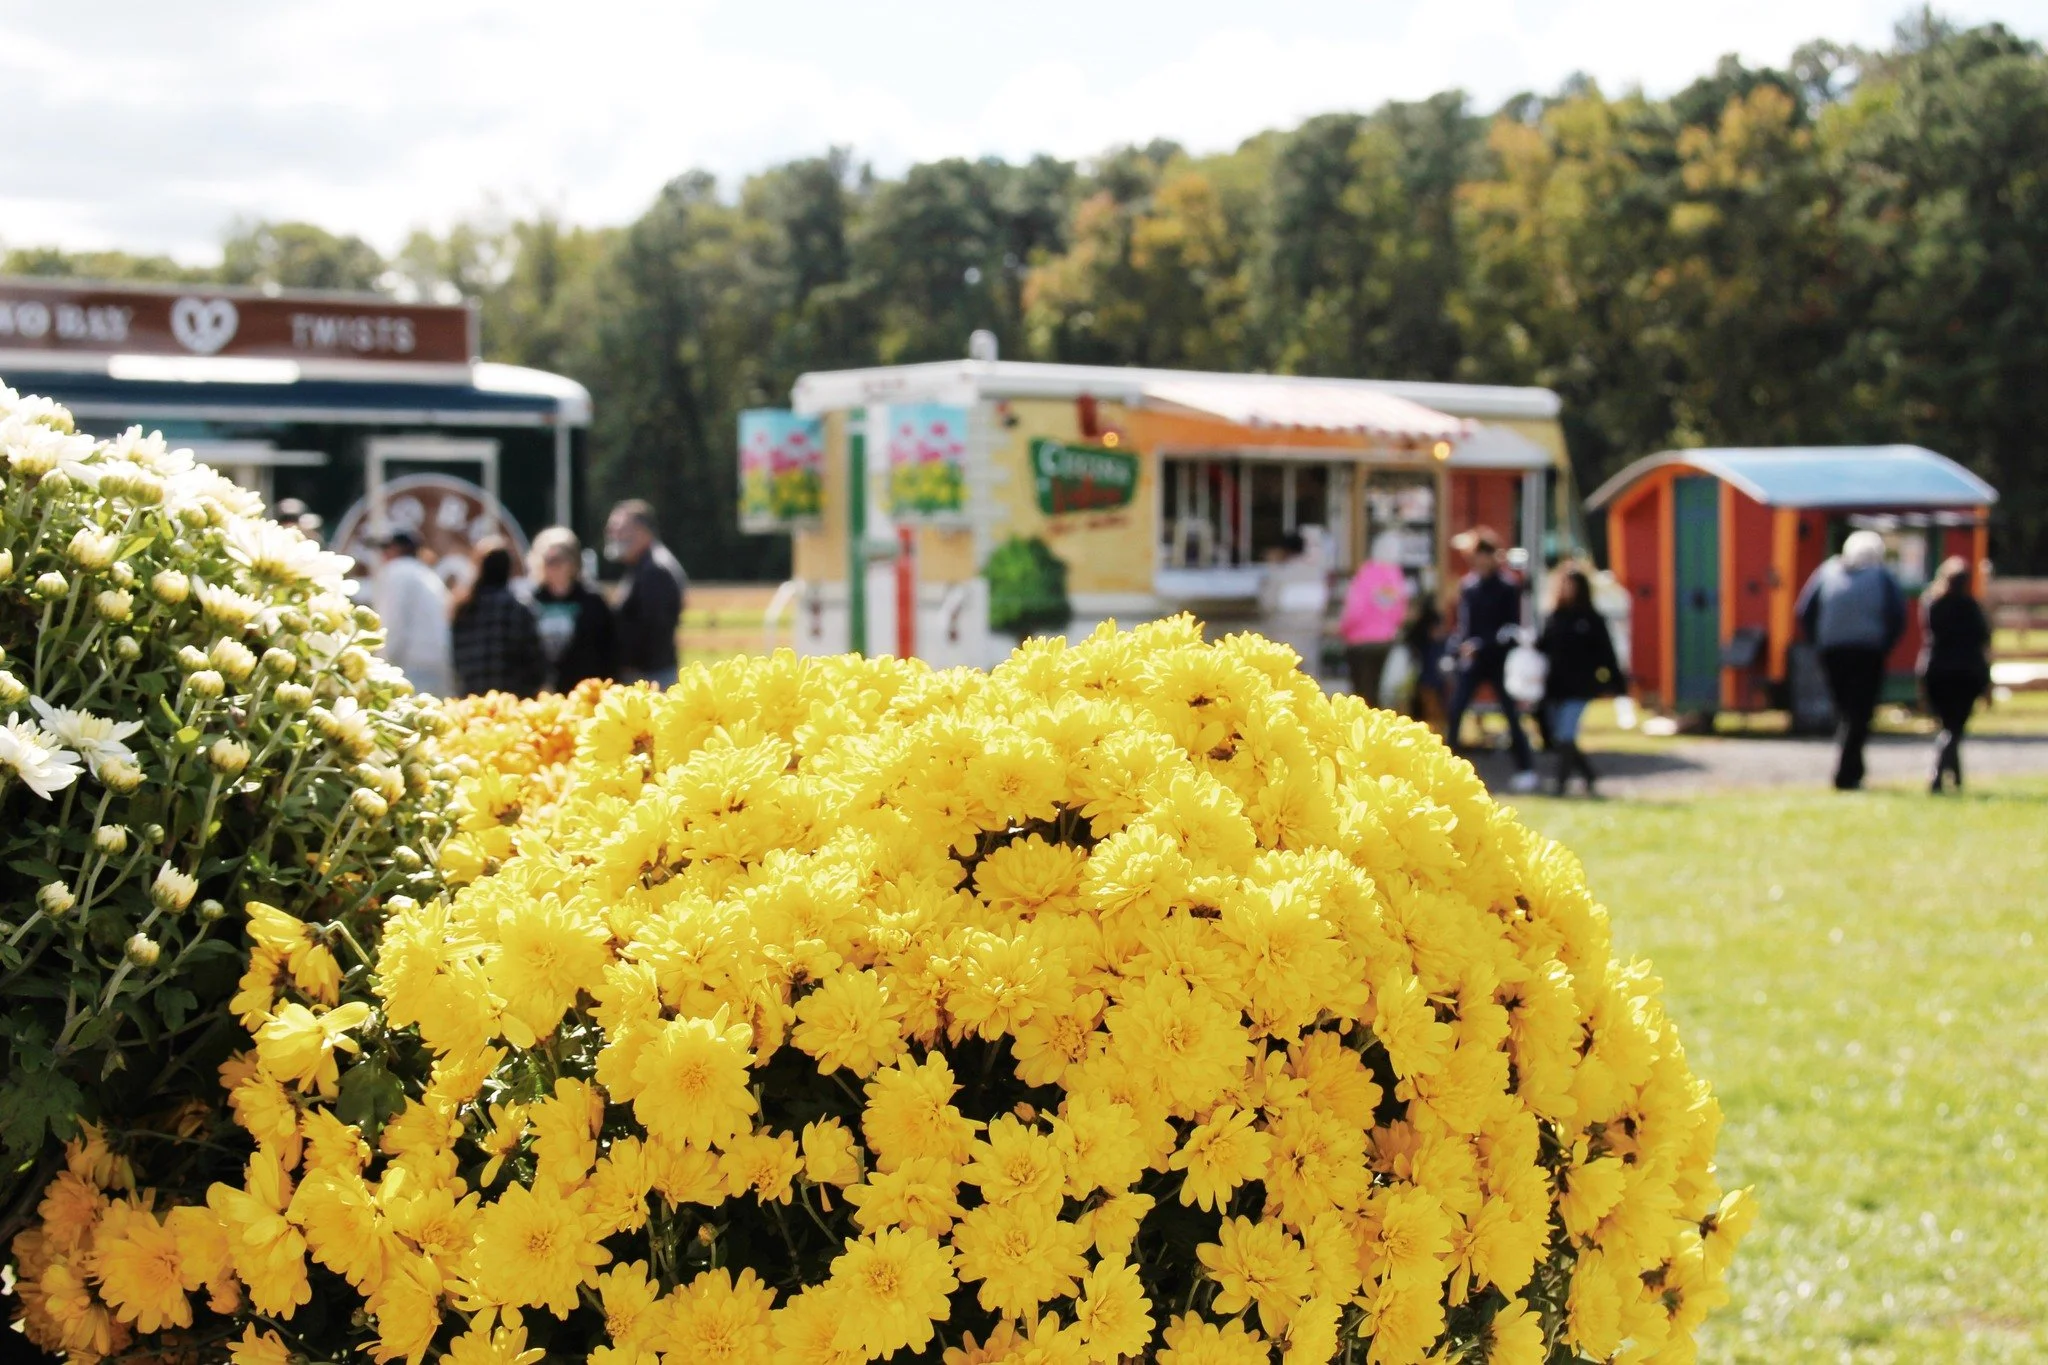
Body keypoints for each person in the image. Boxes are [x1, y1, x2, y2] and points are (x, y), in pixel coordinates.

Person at [1797, 529, 1906, 790]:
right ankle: (1847, 773)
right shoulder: (1882, 577)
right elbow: (1897, 615)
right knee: (1859, 712)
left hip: (1832, 651)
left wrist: (1819, 642)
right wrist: (1885, 645)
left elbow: (1804, 611)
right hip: (1868, 651)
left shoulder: (1826, 572)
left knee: (1845, 710)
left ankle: (1851, 770)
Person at [1444, 529, 1538, 791]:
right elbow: (1464, 625)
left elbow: (1510, 627)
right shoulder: (1469, 585)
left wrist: (1482, 645)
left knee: (1511, 713)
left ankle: (1526, 767)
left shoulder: (1507, 586)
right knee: (1456, 710)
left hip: (1498, 660)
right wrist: (1457, 647)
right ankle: (1446, 768)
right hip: (1472, 660)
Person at [1536, 566, 1625, 796]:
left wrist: (1615, 683)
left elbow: (1607, 653)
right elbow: (1542, 647)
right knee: (1558, 736)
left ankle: (1560, 783)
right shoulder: (1554, 617)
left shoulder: (1592, 619)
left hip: (1581, 687)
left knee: (1566, 734)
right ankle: (1588, 775)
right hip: (1555, 687)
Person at [1918, 555, 1992, 792]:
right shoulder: (1972, 608)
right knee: (1955, 728)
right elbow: (1984, 641)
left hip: (1938, 671)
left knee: (1948, 725)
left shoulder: (1933, 605)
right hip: (1967, 673)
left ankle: (1956, 779)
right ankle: (1938, 775)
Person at [450, 537, 546, 698]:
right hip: (513, 702)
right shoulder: (520, 607)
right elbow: (535, 661)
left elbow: (456, 661)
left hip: (473, 703)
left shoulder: (463, 609)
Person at [606, 499, 687, 687]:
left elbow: (654, 628)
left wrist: (628, 662)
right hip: (649, 673)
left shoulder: (655, 570)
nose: (612, 534)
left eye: (619, 528)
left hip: (652, 677)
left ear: (641, 531)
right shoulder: (643, 565)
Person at [528, 526, 617, 692]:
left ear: (573, 562)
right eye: (548, 561)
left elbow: (609, 648)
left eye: (559, 559)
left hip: (586, 690)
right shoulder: (530, 602)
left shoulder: (593, 600)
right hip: (544, 695)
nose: (554, 566)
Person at [369, 529, 454, 696]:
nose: (383, 555)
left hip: (411, 667)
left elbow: (392, 625)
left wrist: (380, 667)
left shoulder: (398, 571)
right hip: (439, 665)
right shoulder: (426, 573)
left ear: (396, 549)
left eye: (387, 548)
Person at [1259, 529, 1331, 679]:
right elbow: (1323, 603)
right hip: (1311, 633)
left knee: (1282, 678)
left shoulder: (1278, 574)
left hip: (1283, 633)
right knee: (1310, 679)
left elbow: (1267, 604)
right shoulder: (1316, 574)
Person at [1339, 551, 1409, 704]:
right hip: (1384, 640)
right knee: (1375, 688)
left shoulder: (1365, 574)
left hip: (1359, 641)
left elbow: (1355, 611)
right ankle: (1375, 722)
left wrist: (1343, 629)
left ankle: (1362, 724)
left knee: (1361, 692)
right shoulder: (1393, 577)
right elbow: (1399, 610)